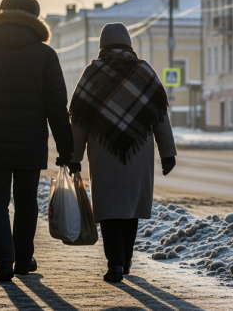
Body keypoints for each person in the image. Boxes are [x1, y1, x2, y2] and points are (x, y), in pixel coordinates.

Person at [0, 0, 74, 282]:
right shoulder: (45, 55)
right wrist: (66, 148)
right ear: (35, 18)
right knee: (26, 201)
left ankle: (4, 262)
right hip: (30, 143)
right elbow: (56, 108)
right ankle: (23, 259)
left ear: (1, 14)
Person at [68, 23, 177, 283]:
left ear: (102, 45)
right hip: (139, 151)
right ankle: (126, 261)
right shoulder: (144, 71)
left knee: (109, 209)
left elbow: (79, 120)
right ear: (129, 43)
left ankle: (115, 263)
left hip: (103, 150)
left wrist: (74, 157)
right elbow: (160, 116)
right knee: (132, 208)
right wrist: (167, 153)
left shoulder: (92, 73)